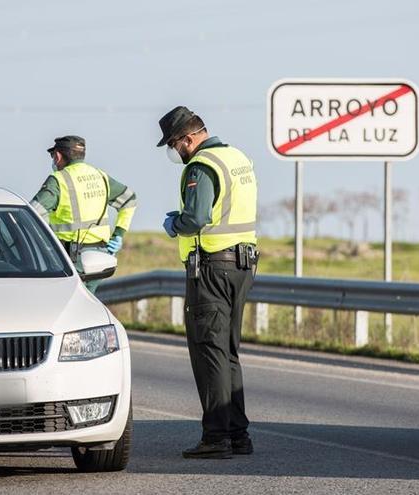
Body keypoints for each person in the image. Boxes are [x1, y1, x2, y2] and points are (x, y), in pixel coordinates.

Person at [157, 106, 259, 459]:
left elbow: (197, 218)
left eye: (174, 143)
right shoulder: (237, 157)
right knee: (228, 351)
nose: (175, 151)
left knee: (209, 352)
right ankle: (237, 434)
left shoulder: (201, 166)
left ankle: (216, 437)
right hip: (242, 265)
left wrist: (175, 225)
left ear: (189, 137)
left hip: (212, 269)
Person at [30, 135, 137, 293]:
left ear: (58, 156)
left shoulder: (58, 180)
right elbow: (129, 200)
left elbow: (33, 213)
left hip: (71, 258)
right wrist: (118, 234)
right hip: (100, 255)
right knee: (88, 303)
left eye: (53, 156)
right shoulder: (100, 176)